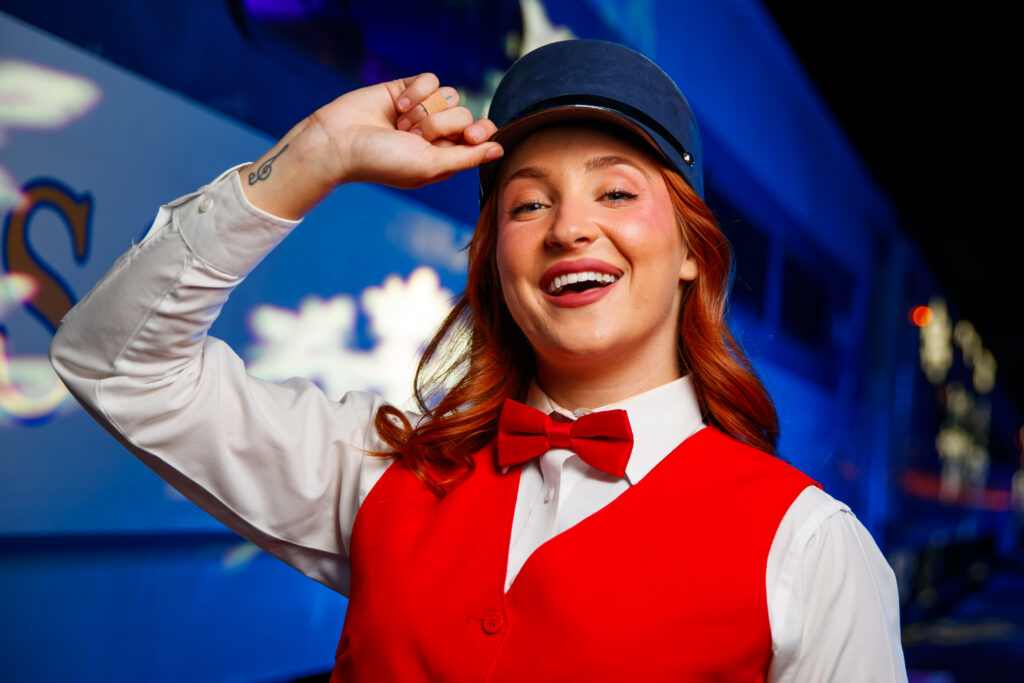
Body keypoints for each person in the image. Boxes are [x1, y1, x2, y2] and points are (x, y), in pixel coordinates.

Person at [50, 40, 906, 681]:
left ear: (690, 247)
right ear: (496, 255)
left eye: (616, 191)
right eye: (528, 202)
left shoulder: (808, 550)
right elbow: (119, 366)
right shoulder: (381, 472)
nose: (570, 227)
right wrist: (313, 156)